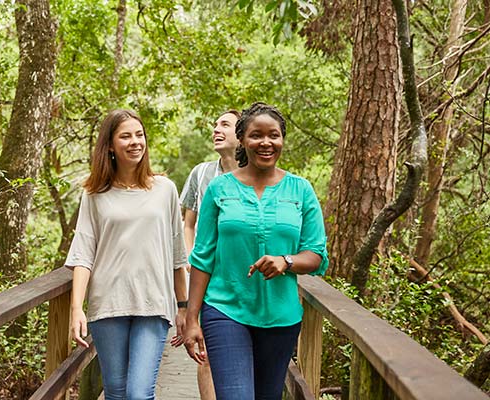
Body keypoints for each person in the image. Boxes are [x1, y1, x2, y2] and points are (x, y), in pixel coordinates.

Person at [183, 102, 329, 399]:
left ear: (282, 140)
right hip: (225, 309)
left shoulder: (301, 190)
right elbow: (203, 256)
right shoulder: (219, 189)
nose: (265, 142)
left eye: (273, 135)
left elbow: (316, 255)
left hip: (281, 317)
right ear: (243, 140)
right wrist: (191, 318)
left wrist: (286, 261)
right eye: (256, 135)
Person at [65, 109, 188, 400]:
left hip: (153, 304)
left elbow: (176, 253)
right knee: (117, 393)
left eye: (139, 135)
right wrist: (76, 309)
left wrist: (183, 307)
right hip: (108, 304)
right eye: (125, 136)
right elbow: (84, 253)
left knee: (138, 394)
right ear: (109, 145)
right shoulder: (95, 194)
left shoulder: (165, 189)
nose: (135, 142)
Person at [178, 109, 240, 400]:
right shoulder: (201, 173)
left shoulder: (255, 173)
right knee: (207, 350)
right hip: (205, 276)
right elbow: (187, 224)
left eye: (225, 125)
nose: (217, 129)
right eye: (215, 124)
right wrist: (191, 257)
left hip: (241, 277)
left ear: (241, 135)